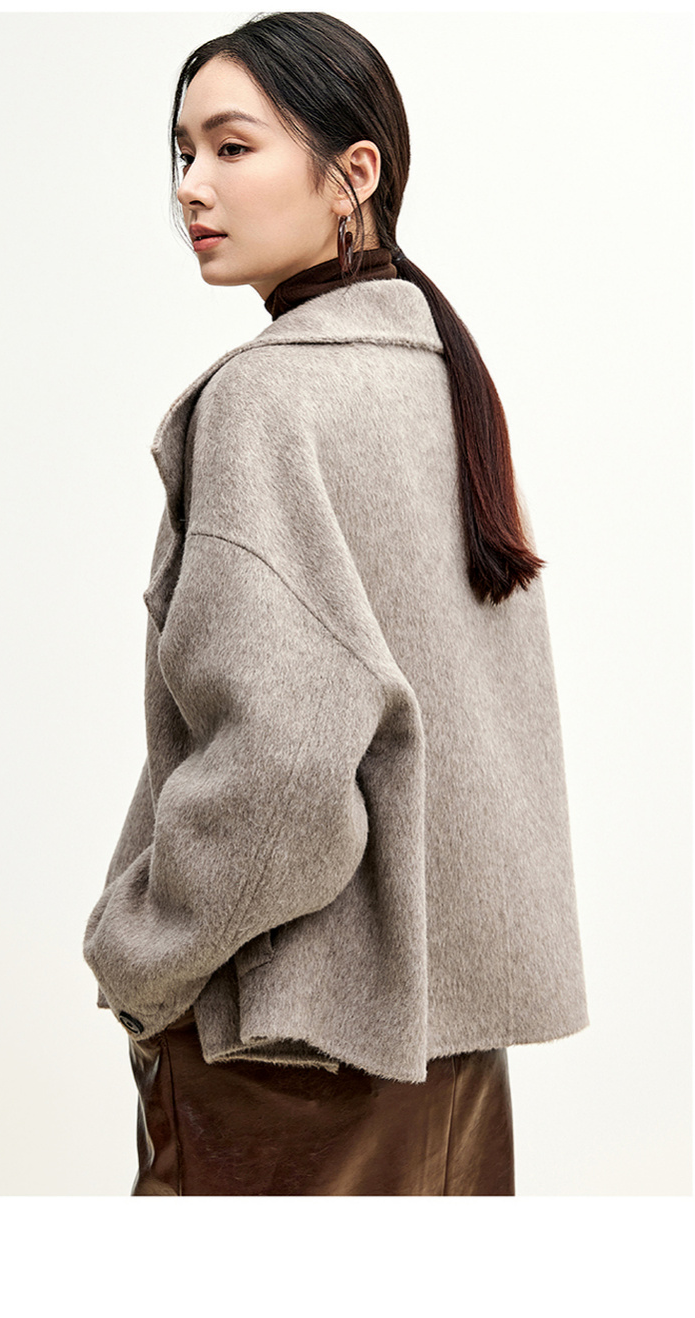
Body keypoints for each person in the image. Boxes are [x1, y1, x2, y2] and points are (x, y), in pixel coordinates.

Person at [82, 11, 589, 1196]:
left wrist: (145, 955)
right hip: (449, 1050)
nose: (191, 186)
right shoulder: (443, 382)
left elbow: (281, 768)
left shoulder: (264, 399)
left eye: (232, 147)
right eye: (182, 153)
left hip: (289, 1051)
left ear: (352, 172)